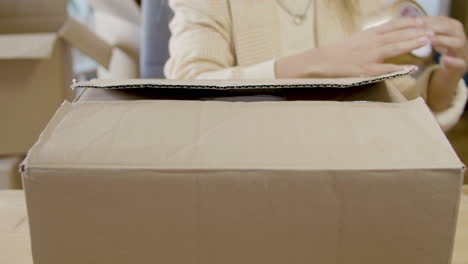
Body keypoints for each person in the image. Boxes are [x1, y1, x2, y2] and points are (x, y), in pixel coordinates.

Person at [164, 0, 468, 131]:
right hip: (245, 170)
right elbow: (189, 88)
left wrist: (450, 75)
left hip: (348, 172)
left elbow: (400, 104)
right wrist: (318, 63)